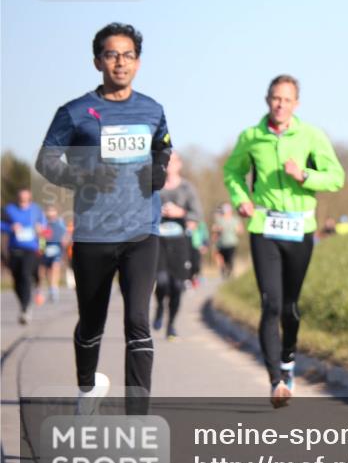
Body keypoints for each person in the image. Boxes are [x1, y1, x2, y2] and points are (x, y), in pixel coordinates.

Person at [35, 22, 171, 415]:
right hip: (94, 234)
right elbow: (45, 160)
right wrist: (83, 175)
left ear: (138, 63)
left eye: (127, 55)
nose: (120, 62)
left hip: (141, 232)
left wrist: (159, 167)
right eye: (111, 54)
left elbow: (163, 144)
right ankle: (87, 388)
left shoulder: (152, 109)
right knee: (91, 323)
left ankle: (137, 419)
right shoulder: (75, 113)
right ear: (97, 61)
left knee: (137, 321)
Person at [223, 74, 344, 408]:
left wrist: (304, 175)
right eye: (275, 98)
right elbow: (232, 172)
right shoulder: (251, 137)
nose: (280, 104)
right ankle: (276, 380)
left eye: (287, 99)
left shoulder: (311, 136)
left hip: (300, 228)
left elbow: (336, 177)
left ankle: (288, 358)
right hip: (264, 226)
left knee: (290, 307)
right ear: (267, 100)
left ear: (296, 104)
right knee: (271, 303)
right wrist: (240, 198)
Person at [153, 152, 202, 341]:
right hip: (158, 240)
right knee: (162, 280)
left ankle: (171, 324)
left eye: (173, 161)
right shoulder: (155, 185)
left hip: (180, 242)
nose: (169, 165)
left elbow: (196, 215)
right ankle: (158, 308)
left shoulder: (187, 188)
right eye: (166, 161)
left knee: (177, 285)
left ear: (179, 164)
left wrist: (180, 212)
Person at [1, 189, 46, 324]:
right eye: (21, 198)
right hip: (14, 249)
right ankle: (23, 304)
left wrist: (41, 241)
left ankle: (25, 308)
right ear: (17, 198)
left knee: (26, 275)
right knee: (16, 280)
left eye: (26, 199)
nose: (23, 201)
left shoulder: (36, 210)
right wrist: (10, 227)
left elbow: (44, 228)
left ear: (30, 198)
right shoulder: (9, 209)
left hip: (31, 249)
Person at [39, 205, 70, 302]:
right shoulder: (43, 223)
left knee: (55, 267)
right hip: (46, 247)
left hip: (57, 247)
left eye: (52, 211)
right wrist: (41, 247)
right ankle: (41, 288)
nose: (50, 213)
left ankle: (54, 290)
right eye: (48, 211)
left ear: (56, 212)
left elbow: (66, 233)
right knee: (43, 270)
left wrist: (65, 240)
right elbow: (41, 237)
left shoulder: (60, 222)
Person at [212, 202, 241, 278]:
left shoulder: (235, 219)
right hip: (221, 243)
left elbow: (240, 230)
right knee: (221, 259)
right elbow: (215, 231)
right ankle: (224, 270)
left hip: (231, 243)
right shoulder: (219, 220)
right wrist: (214, 238)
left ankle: (229, 271)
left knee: (230, 259)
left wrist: (237, 230)